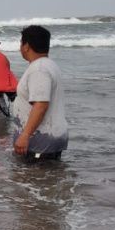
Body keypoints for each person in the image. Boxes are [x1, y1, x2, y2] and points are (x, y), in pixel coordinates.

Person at [12, 25, 68, 161]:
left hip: (40, 141)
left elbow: (41, 105)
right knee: (45, 180)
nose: (20, 47)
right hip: (48, 139)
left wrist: (25, 135)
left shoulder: (39, 69)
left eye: (21, 42)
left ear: (26, 46)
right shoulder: (49, 65)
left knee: (34, 180)